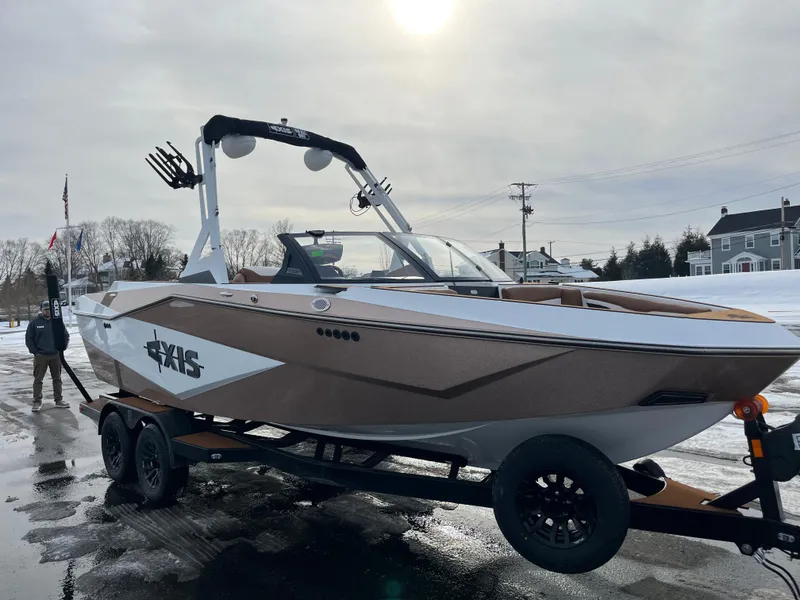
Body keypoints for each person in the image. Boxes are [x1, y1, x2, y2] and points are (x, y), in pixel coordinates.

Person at [25, 300, 70, 412]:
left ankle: (59, 400)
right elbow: (29, 339)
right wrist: (35, 352)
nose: (48, 311)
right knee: (38, 380)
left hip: (55, 355)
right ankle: (37, 402)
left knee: (57, 379)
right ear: (41, 310)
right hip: (41, 356)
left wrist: (62, 348)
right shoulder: (34, 323)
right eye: (45, 309)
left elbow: (65, 336)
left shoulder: (57, 322)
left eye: (49, 309)